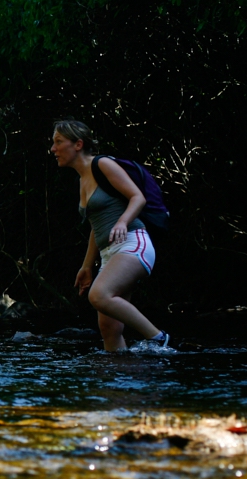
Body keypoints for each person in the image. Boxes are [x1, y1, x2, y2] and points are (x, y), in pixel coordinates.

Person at [50, 120, 170, 352]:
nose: (53, 149)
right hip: (109, 254)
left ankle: (158, 338)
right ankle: (117, 382)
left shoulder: (102, 164)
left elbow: (137, 197)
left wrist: (123, 221)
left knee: (99, 295)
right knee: (109, 329)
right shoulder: (82, 181)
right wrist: (86, 266)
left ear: (78, 144)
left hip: (133, 243)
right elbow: (97, 226)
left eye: (58, 142)